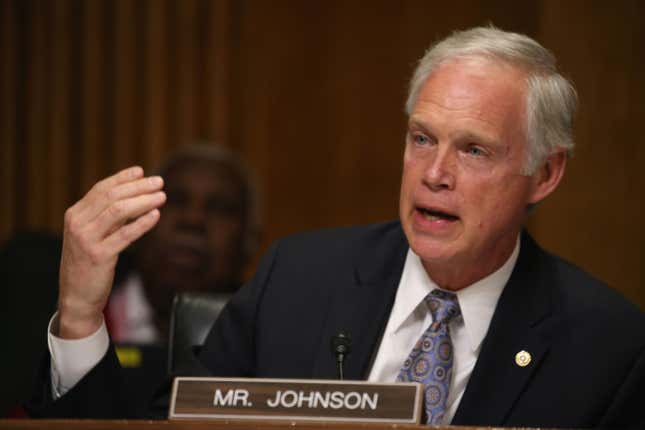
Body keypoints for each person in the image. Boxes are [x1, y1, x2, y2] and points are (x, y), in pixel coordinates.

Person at [27, 27, 644, 428]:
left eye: (475, 151)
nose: (434, 173)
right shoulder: (297, 279)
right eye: (421, 138)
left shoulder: (607, 345)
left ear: (545, 173)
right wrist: (81, 316)